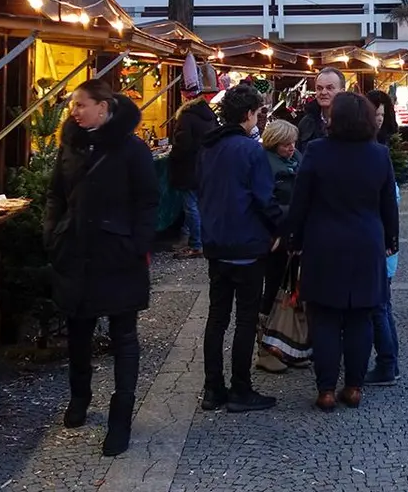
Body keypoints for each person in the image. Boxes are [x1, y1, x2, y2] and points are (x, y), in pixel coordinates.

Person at [44, 80, 160, 457]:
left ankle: (120, 417)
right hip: (76, 252)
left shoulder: (132, 149)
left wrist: (137, 243)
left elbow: (148, 201)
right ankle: (79, 398)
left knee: (123, 337)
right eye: (74, 105)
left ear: (103, 107)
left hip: (118, 255)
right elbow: (55, 194)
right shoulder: (71, 145)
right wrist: (53, 234)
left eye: (81, 104)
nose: (74, 111)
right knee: (78, 331)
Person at [283, 92, 400, 411]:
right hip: (366, 242)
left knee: (324, 318)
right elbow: (388, 204)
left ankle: (326, 389)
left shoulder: (317, 151)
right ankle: (354, 386)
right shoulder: (379, 154)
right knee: (361, 317)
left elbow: (300, 200)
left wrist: (293, 239)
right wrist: (391, 239)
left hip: (324, 242)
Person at [197, 84, 282, 414]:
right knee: (245, 319)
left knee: (217, 318)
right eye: (258, 113)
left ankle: (212, 388)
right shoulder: (250, 150)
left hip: (216, 243)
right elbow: (264, 198)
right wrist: (280, 229)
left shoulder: (208, 148)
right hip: (246, 245)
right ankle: (240, 388)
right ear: (249, 114)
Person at [255, 119, 301, 373]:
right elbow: (265, 204)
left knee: (292, 291)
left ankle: (291, 344)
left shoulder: (298, 159)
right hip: (275, 239)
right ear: (274, 144)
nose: (291, 148)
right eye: (285, 144)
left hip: (294, 237)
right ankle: (265, 347)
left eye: (293, 142)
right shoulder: (265, 165)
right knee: (272, 291)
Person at [368, 104, 404, 387]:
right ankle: (389, 361)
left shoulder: (377, 158)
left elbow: (390, 204)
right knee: (382, 306)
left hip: (378, 248)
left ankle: (388, 363)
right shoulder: (380, 157)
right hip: (384, 247)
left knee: (379, 307)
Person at [169, 78, 220, 259]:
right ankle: (194, 239)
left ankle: (197, 244)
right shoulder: (210, 116)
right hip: (205, 167)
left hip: (188, 167)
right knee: (198, 205)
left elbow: (182, 144)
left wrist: (174, 156)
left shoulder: (187, 116)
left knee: (190, 206)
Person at [298, 67, 346, 151]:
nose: (323, 92)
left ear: (342, 91)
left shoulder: (354, 123)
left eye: (329, 88)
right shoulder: (306, 123)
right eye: (319, 88)